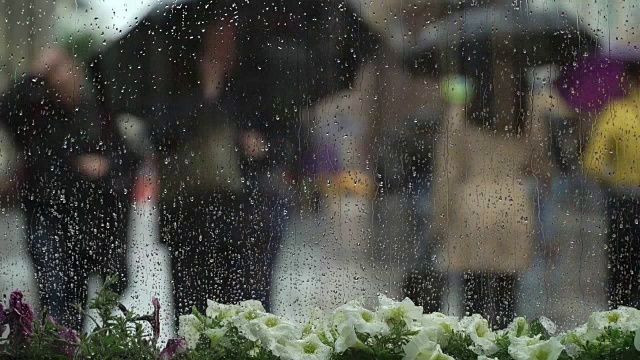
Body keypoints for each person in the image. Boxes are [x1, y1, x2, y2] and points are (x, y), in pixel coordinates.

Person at [0, 43, 137, 330]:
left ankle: (72, 343)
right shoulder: (37, 112)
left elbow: (129, 156)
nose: (61, 79)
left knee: (79, 298)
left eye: (65, 70)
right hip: (45, 212)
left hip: (87, 219)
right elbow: (6, 110)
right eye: (53, 75)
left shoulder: (99, 112)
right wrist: (33, 74)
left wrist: (106, 165)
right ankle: (59, 345)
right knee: (54, 294)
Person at [149, 20, 279, 321]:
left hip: (244, 213)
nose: (223, 47)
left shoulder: (255, 86)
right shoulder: (175, 85)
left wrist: (260, 146)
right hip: (187, 211)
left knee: (245, 304)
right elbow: (159, 137)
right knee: (191, 305)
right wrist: (206, 94)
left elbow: (282, 142)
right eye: (216, 39)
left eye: (229, 40)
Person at [432, 71, 550, 328]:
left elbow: (448, 174)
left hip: (471, 207)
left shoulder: (458, 115)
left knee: (471, 301)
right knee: (508, 300)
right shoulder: (528, 116)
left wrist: (440, 220)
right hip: (514, 206)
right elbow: (540, 166)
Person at [582, 42, 640, 309]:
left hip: (624, 203)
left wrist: (616, 173)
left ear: (627, 79)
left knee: (622, 272)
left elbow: (592, 163)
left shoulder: (616, 113)